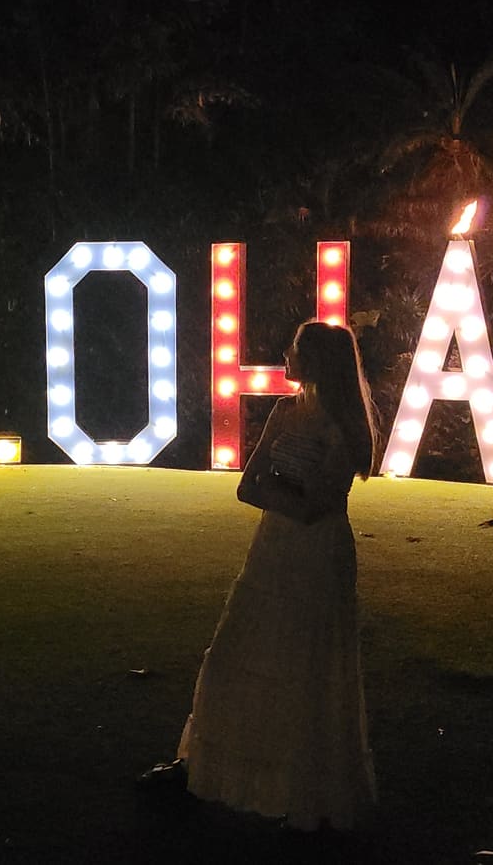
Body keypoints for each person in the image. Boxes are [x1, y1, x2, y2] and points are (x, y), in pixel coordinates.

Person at [142, 320, 379, 833]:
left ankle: (292, 786)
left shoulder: (341, 426)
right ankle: (214, 771)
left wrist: (283, 492)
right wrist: (288, 495)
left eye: (295, 348)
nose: (285, 354)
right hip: (273, 547)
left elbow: (318, 506)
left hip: (317, 553)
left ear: (314, 360)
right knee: (239, 652)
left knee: (304, 664)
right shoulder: (284, 411)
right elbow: (250, 487)